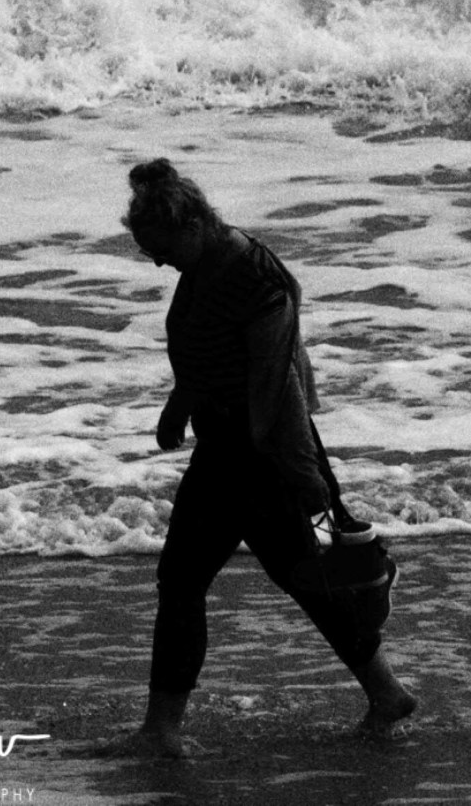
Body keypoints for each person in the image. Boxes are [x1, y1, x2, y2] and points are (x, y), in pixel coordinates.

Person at [118, 158, 416, 757]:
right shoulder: (204, 264)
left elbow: (279, 385)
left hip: (261, 458)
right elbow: (210, 349)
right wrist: (181, 406)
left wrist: (302, 481)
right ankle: (387, 694)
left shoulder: (256, 277)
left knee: (203, 581)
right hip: (231, 452)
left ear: (191, 224)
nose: (155, 261)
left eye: (158, 246)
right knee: (286, 581)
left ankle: (162, 733)